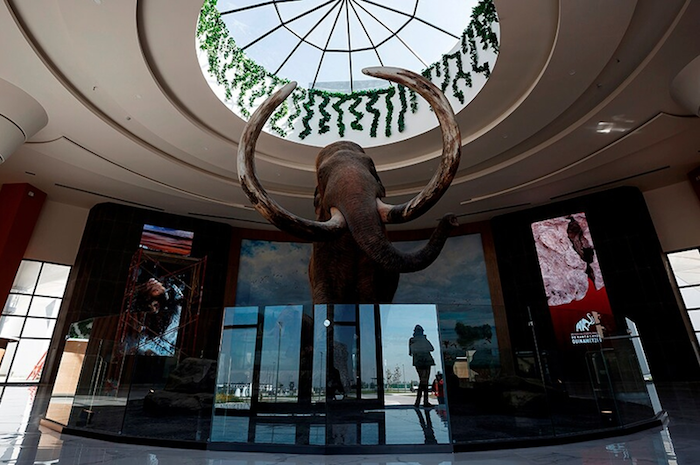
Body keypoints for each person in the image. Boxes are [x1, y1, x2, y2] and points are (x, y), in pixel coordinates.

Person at [409, 325, 435, 407]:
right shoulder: (416, 340)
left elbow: (411, 352)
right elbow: (431, 348)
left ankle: (420, 401)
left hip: (421, 361)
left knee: (423, 381)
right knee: (424, 381)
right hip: (424, 361)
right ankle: (423, 401)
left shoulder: (413, 340)